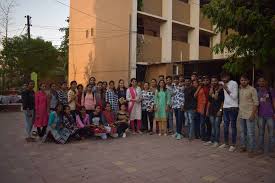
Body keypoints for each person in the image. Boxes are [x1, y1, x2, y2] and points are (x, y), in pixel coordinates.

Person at [238, 74, 259, 158]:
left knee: (251, 133)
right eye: (242, 80)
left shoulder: (252, 89)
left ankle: (251, 150)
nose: (243, 81)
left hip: (250, 114)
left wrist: (253, 114)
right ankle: (244, 146)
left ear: (248, 81)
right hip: (241, 114)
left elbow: (256, 103)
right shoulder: (240, 89)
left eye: (245, 80)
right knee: (243, 132)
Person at [219, 72, 239, 152]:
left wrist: (226, 89)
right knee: (225, 126)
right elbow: (217, 82)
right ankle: (226, 143)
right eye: (222, 77)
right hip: (225, 107)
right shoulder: (223, 83)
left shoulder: (233, 83)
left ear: (229, 76)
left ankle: (233, 144)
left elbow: (234, 96)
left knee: (233, 127)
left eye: (225, 77)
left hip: (233, 107)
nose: (224, 79)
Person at [256, 77, 275, 157]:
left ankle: (272, 151)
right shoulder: (256, 91)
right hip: (260, 115)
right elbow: (255, 103)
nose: (261, 82)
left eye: (263, 81)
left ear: (266, 82)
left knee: (271, 134)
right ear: (257, 82)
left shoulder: (271, 90)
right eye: (259, 81)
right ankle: (260, 149)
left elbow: (274, 102)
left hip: (270, 115)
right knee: (260, 133)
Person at [204, 76, 224, 147]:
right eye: (212, 81)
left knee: (217, 126)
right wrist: (207, 110)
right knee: (212, 126)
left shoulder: (221, 90)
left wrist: (220, 110)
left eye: (215, 81)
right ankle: (212, 140)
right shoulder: (211, 89)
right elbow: (209, 101)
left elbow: (222, 102)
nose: (213, 82)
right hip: (211, 110)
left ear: (217, 81)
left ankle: (216, 141)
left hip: (218, 110)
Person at [172, 76, 185, 140]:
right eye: (174, 79)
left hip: (180, 105)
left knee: (180, 119)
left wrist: (183, 104)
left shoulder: (182, 86)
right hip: (175, 105)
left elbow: (183, 96)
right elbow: (172, 95)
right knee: (177, 119)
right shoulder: (173, 86)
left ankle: (180, 134)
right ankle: (177, 132)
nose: (176, 81)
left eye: (177, 79)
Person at [202, 76, 211, 141]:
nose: (205, 81)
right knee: (203, 122)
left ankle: (209, 136)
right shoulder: (201, 87)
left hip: (210, 106)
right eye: (204, 80)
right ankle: (204, 135)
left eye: (207, 80)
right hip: (202, 107)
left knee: (208, 122)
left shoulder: (211, 87)